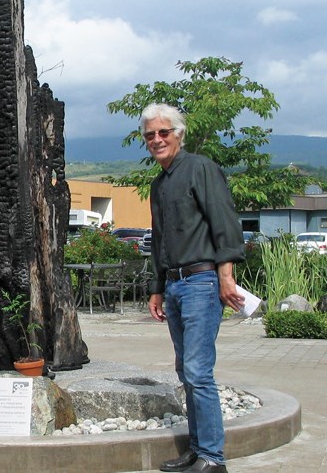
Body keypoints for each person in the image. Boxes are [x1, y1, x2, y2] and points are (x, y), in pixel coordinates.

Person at [142, 103, 245, 473]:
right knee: (186, 371)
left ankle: (214, 458)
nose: (157, 139)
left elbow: (224, 221)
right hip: (173, 285)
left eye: (163, 132)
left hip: (202, 282)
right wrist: (156, 288)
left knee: (199, 371)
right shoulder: (158, 184)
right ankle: (199, 449)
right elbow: (159, 239)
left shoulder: (200, 168)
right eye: (150, 134)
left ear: (178, 134)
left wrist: (225, 275)